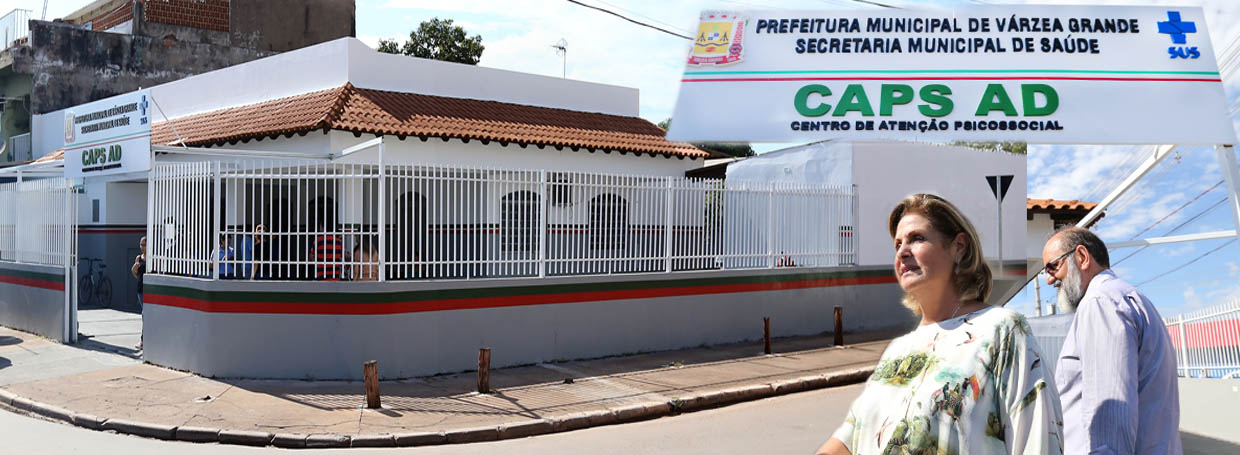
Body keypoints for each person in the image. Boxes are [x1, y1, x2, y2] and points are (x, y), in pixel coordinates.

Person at [818, 194, 1062, 455]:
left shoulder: (1002, 330)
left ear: (959, 247)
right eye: (898, 244)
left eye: (917, 238)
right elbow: (849, 438)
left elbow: (1037, 440)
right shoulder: (897, 350)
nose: (902, 251)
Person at [1041, 227, 1180, 455]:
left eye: (1053, 266)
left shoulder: (1100, 302)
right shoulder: (1130, 298)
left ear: (1082, 257)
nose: (1048, 279)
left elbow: (1111, 415)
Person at [130, 236, 146, 307]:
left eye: (144, 245)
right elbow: (134, 273)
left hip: (149, 289)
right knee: (144, 309)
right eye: (141, 245)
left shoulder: (151, 258)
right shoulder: (138, 258)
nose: (142, 247)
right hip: (140, 289)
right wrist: (134, 268)